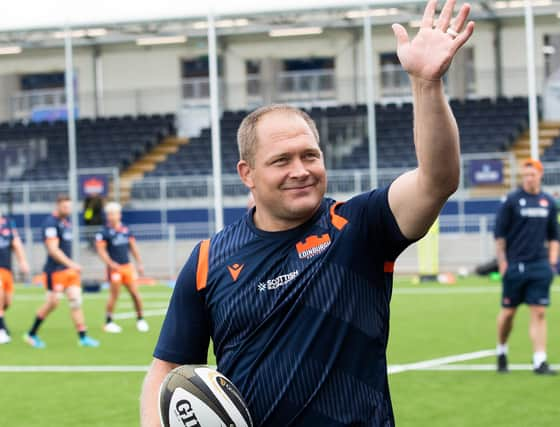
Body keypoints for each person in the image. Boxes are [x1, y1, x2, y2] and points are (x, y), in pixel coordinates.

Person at [141, 1, 474, 425]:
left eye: (310, 155)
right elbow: (168, 371)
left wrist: (427, 86)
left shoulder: (359, 227)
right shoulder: (208, 261)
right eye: (282, 160)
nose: (300, 171)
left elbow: (437, 180)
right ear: (248, 173)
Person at [494, 158, 560, 375]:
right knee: (508, 314)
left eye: (532, 174)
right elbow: (500, 236)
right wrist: (503, 263)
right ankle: (502, 350)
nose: (529, 178)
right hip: (515, 267)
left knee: (539, 312)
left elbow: (554, 237)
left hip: (540, 266)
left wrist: (552, 263)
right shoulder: (511, 201)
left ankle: (539, 361)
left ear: (540, 175)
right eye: (526, 175)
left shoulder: (548, 202)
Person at [23, 194, 100, 348]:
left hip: (68, 272)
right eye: (65, 207)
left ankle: (83, 337)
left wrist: (71, 267)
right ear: (57, 206)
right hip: (55, 271)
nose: (68, 209)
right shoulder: (51, 224)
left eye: (70, 206)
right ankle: (31, 334)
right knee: (52, 303)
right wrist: (72, 264)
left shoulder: (66, 222)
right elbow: (53, 250)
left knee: (76, 301)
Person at [95, 202, 148, 333]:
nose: (112, 216)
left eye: (114, 213)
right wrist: (110, 263)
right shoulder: (103, 232)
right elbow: (101, 251)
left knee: (135, 293)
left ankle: (140, 319)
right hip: (114, 269)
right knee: (114, 295)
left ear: (119, 214)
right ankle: (108, 322)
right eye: (109, 214)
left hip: (127, 267)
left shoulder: (126, 229)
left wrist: (139, 263)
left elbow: (133, 247)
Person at [0, 213, 30, 344]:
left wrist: (22, 261)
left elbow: (16, 243)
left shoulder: (8, 223)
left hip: (6, 269)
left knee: (7, 302)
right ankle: (2, 330)